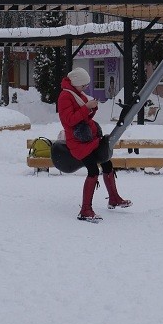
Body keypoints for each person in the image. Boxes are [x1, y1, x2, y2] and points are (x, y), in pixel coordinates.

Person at [58, 67, 132, 222]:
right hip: (78, 142)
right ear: (76, 82)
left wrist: (92, 108)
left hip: (89, 138)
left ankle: (114, 198)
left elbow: (85, 116)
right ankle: (85, 210)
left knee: (106, 162)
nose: (85, 88)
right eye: (83, 85)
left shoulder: (78, 94)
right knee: (92, 170)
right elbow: (69, 120)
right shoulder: (65, 96)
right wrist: (86, 108)